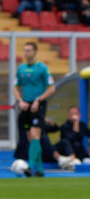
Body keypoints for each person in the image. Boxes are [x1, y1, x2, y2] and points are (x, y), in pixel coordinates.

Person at [13, 42, 56, 177]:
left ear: (35, 52)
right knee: (31, 138)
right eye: (25, 51)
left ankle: (29, 167)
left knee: (35, 134)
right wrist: (20, 101)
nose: (26, 53)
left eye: (29, 51)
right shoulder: (21, 69)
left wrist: (38, 99)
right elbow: (15, 87)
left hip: (38, 105)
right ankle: (40, 170)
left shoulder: (42, 68)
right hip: (25, 105)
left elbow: (52, 88)